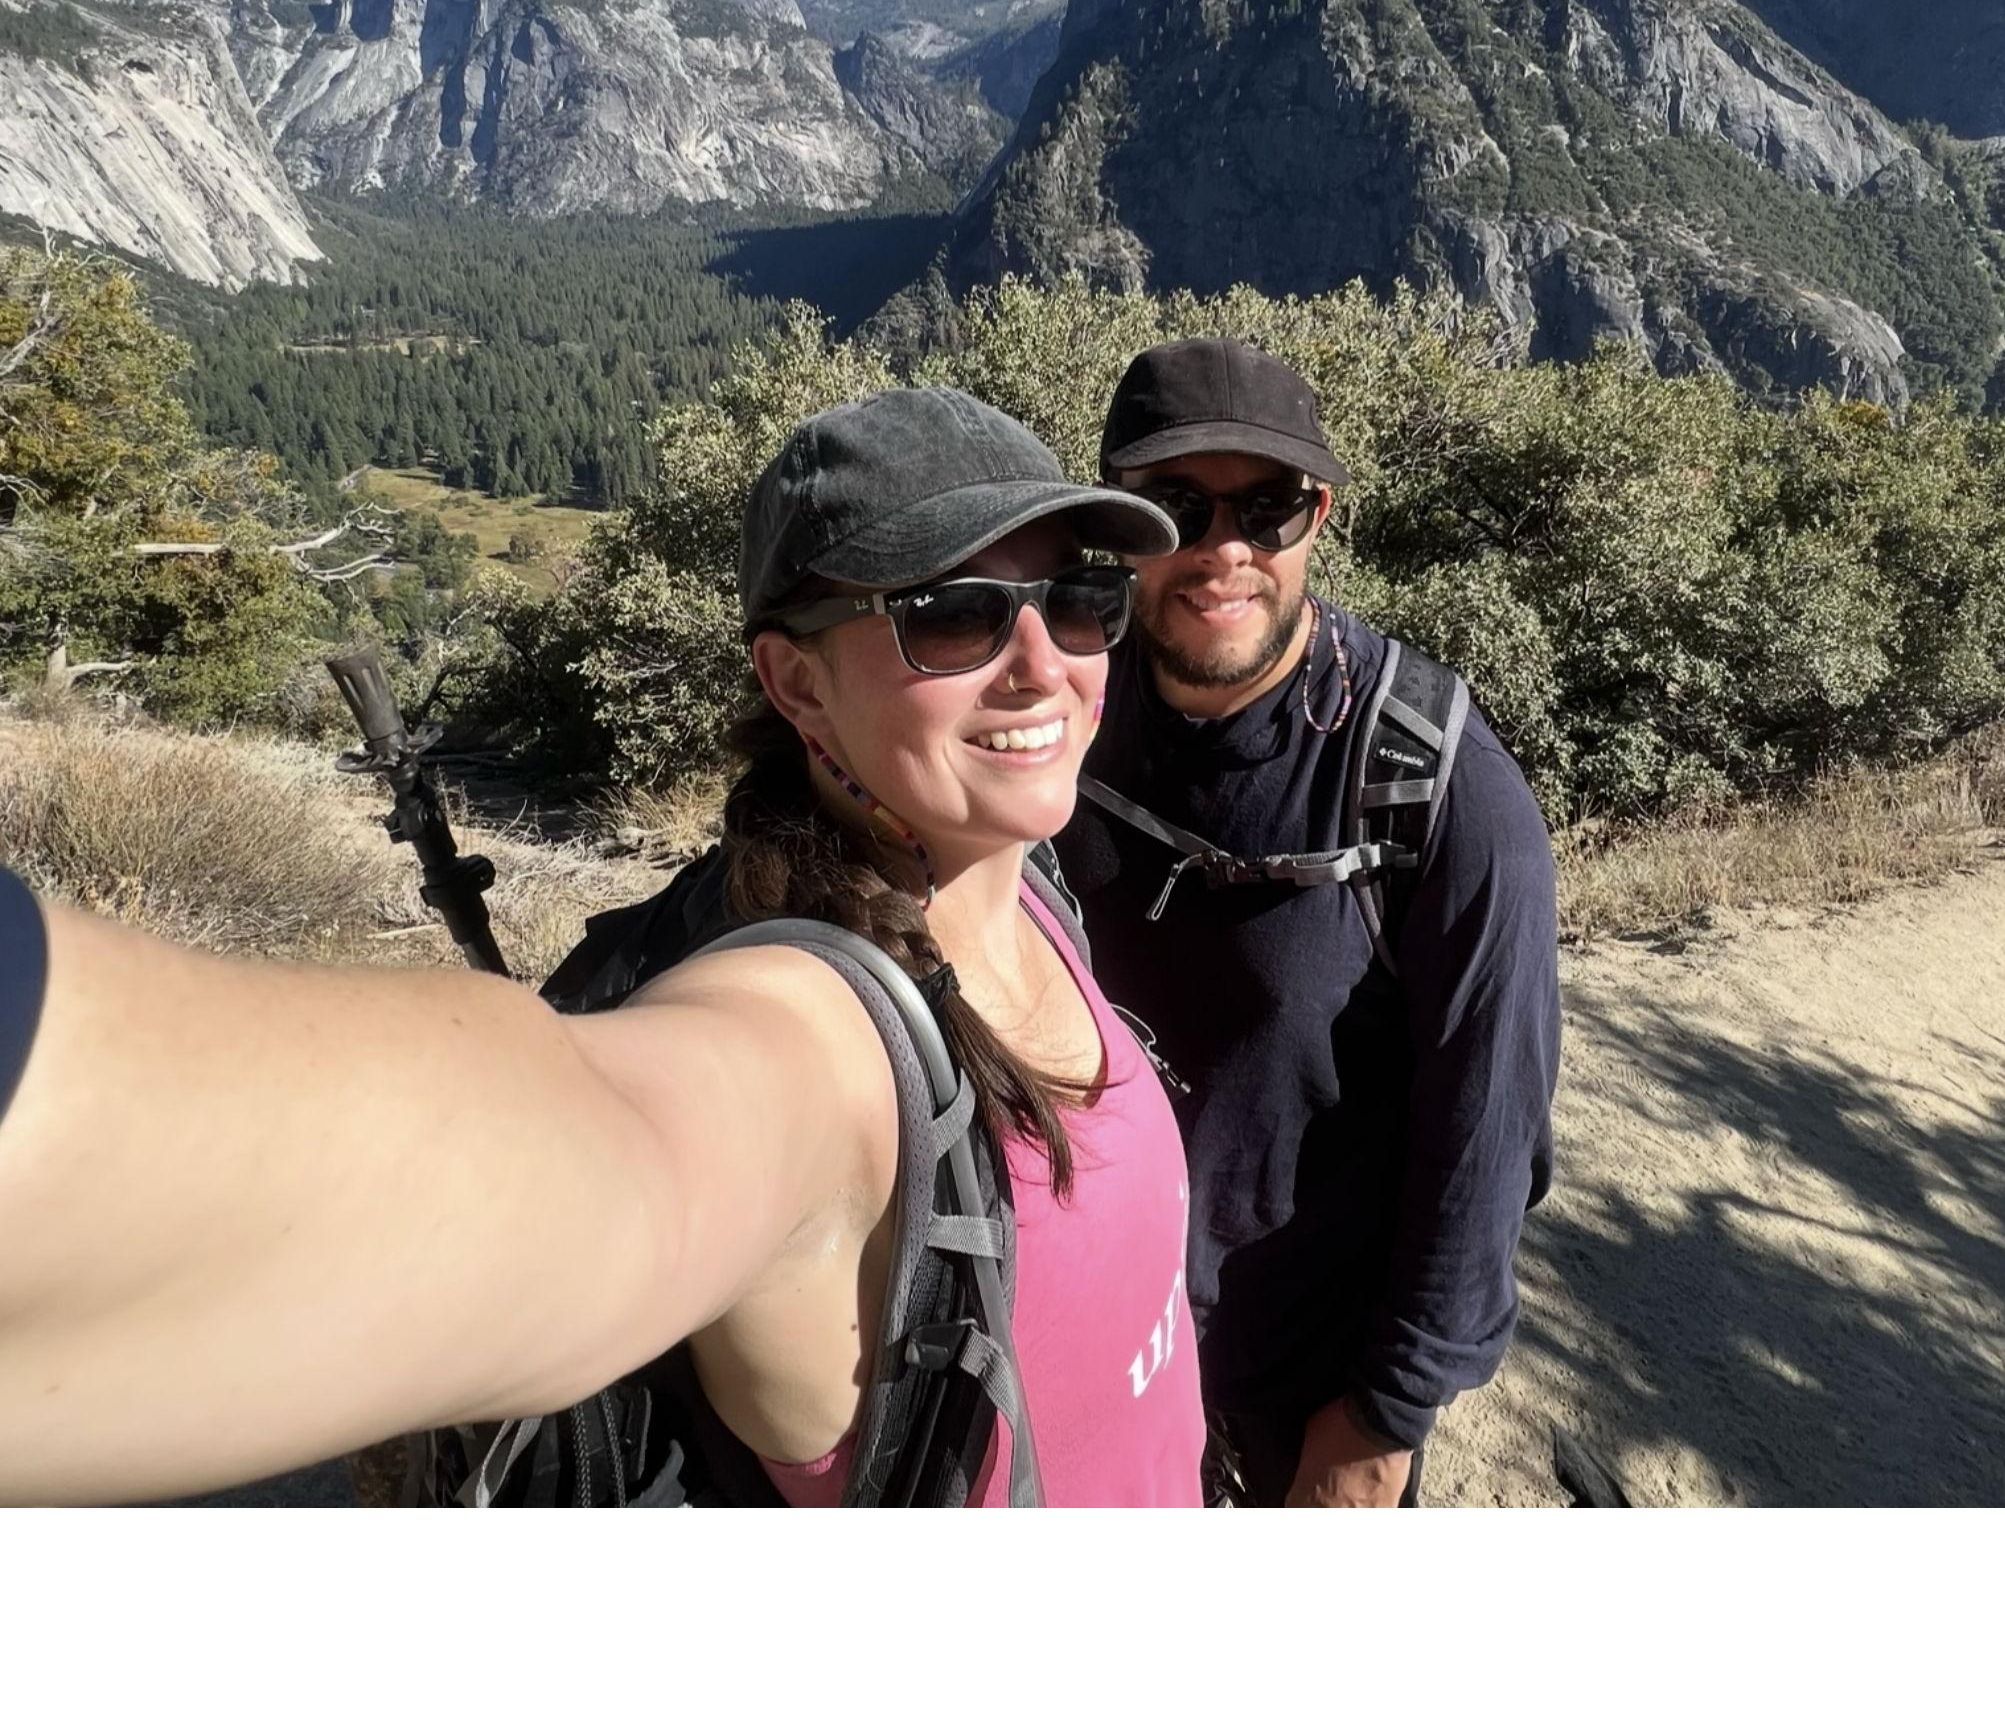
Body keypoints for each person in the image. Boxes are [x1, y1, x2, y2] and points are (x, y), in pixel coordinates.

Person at [0, 388, 1204, 1509]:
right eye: (952, 615)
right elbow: (593, 1155)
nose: (1044, 665)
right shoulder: (821, 1047)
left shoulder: (1029, 880)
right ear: (795, 682)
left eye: (1077, 598)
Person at [1053, 337, 1561, 1508]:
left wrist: (1379, 1423)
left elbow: (1488, 1140)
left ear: (1317, 517)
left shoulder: (1439, 791)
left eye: (1267, 507)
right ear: (1118, 519)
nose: (1223, 548)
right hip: (1084, 1355)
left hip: (1295, 1393)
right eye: (1176, 505)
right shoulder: (1060, 708)